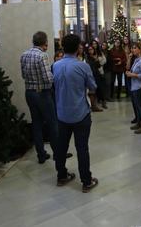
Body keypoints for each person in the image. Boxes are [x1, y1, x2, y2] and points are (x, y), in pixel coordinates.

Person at [53, 34, 98, 192]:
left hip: (61, 113)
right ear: (78, 47)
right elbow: (92, 86)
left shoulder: (56, 65)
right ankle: (86, 181)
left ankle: (62, 175)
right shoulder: (83, 66)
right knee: (82, 148)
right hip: (80, 113)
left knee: (61, 147)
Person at [20, 31, 58, 164]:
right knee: (52, 124)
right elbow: (48, 78)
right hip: (42, 94)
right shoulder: (42, 56)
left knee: (36, 124)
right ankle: (57, 153)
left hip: (29, 93)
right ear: (45, 43)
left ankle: (41, 154)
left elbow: (23, 76)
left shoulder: (24, 55)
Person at [126, 42, 141, 134]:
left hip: (140, 87)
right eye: (132, 48)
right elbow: (128, 68)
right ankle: (139, 123)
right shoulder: (136, 60)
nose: (133, 50)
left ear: (140, 49)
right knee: (138, 107)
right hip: (135, 87)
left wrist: (132, 75)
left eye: (135, 48)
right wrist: (129, 58)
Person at [85, 45, 106, 110]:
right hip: (90, 74)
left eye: (91, 49)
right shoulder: (87, 58)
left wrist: (96, 60)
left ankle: (102, 102)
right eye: (89, 50)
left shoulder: (95, 57)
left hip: (97, 74)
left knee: (100, 88)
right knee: (92, 90)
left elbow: (99, 66)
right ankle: (94, 105)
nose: (90, 51)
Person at [91, 40, 107, 108]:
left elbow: (104, 60)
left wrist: (98, 62)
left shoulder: (100, 52)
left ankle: (103, 101)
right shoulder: (90, 53)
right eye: (93, 44)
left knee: (100, 87)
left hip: (100, 71)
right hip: (92, 72)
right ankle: (95, 102)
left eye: (95, 44)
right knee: (94, 88)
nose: (94, 45)